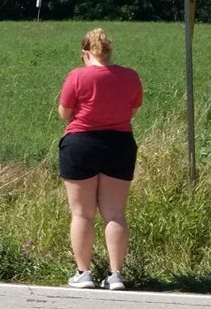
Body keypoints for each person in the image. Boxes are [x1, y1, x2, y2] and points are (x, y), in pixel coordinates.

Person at [57, 28, 142, 290]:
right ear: (109, 51)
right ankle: (115, 275)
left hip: (81, 143)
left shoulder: (77, 76)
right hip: (119, 144)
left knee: (82, 213)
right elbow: (133, 110)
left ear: (85, 53)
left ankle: (83, 273)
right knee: (115, 213)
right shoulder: (130, 76)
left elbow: (64, 113)